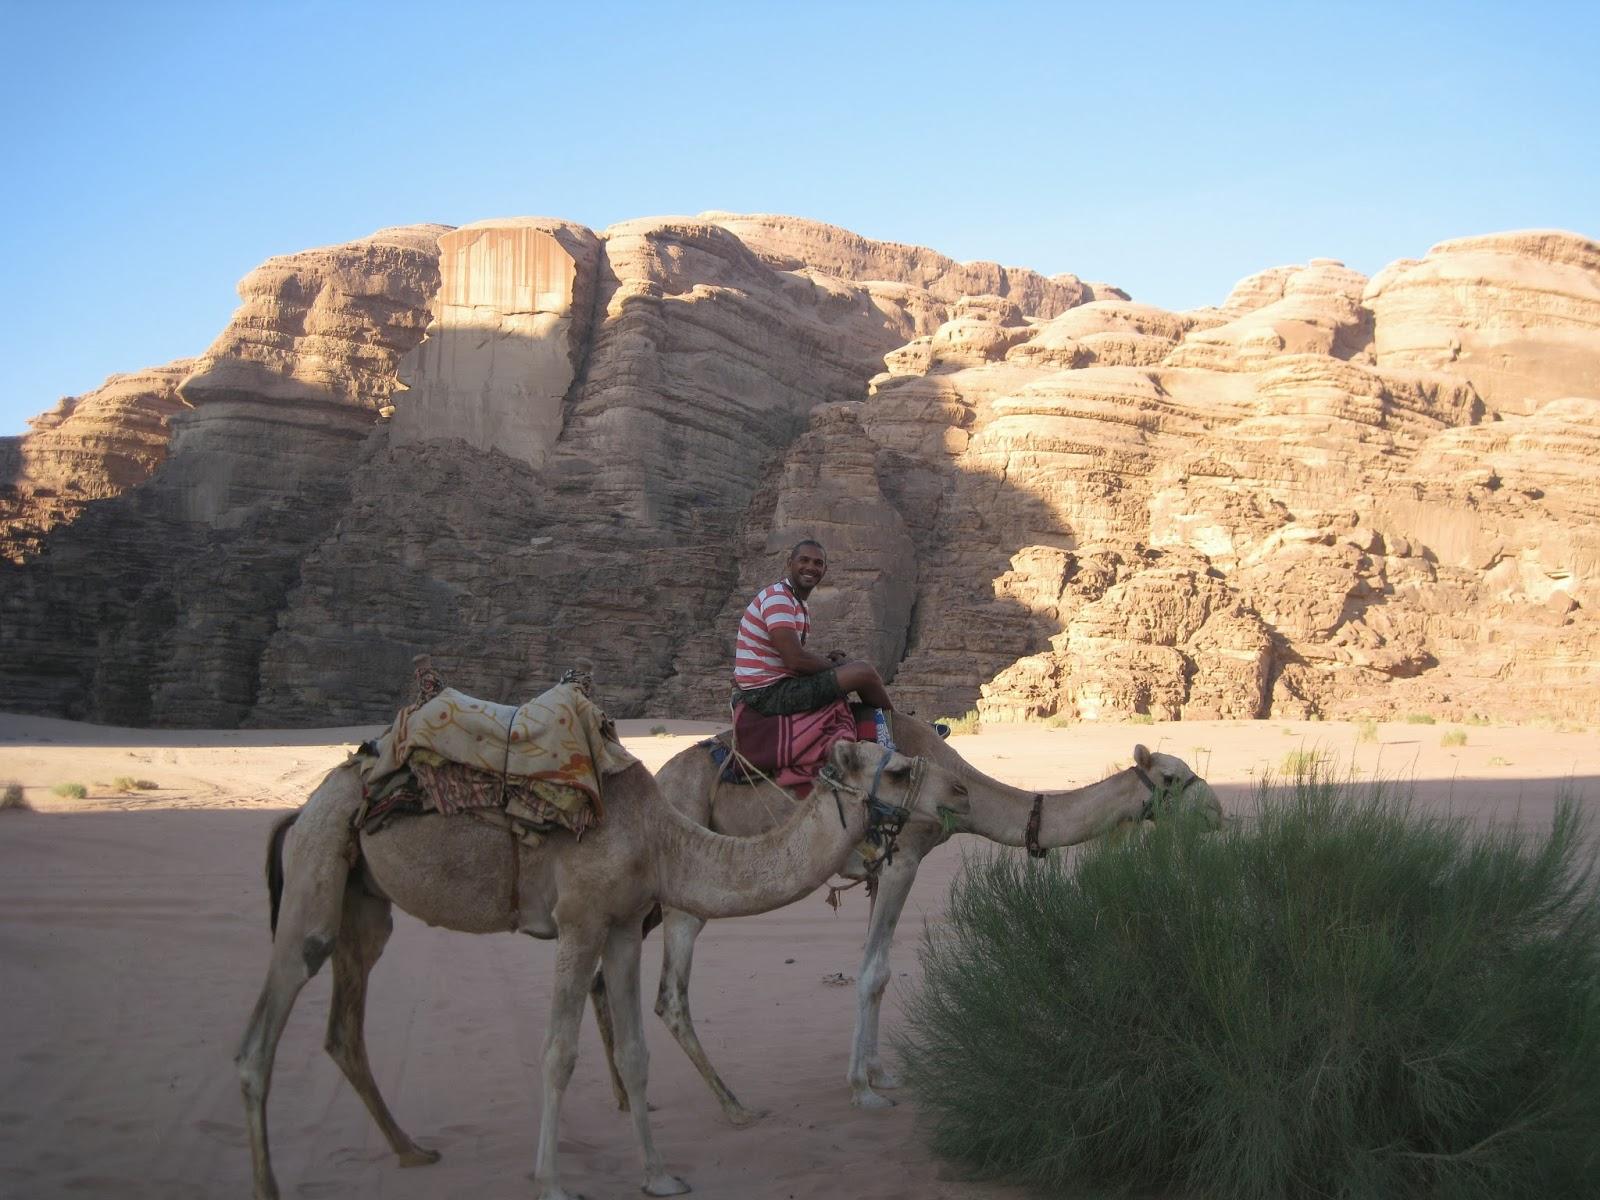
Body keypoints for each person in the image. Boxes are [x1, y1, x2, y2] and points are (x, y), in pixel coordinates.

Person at [732, 539, 896, 748]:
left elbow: (792, 657)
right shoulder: (778, 598)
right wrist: (839, 668)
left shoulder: (795, 602)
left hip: (775, 687)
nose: (810, 567)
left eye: (818, 563)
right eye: (804, 560)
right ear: (789, 563)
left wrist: (830, 664)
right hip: (767, 694)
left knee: (854, 672)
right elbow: (795, 660)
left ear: (825, 570)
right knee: (863, 673)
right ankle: (900, 726)